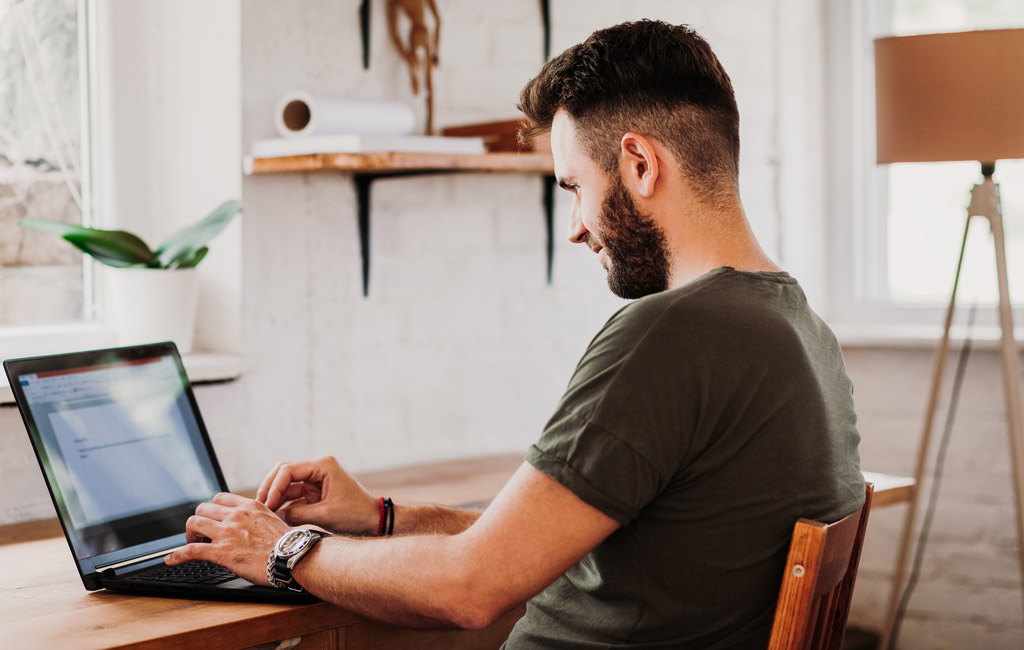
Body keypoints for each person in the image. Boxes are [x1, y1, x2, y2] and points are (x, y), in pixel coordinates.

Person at [166, 19, 863, 649]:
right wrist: (379, 516)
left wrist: (280, 549)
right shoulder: (800, 331)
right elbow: (527, 548)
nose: (576, 228)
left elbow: (470, 588)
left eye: (575, 187)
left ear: (639, 164)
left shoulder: (670, 336)